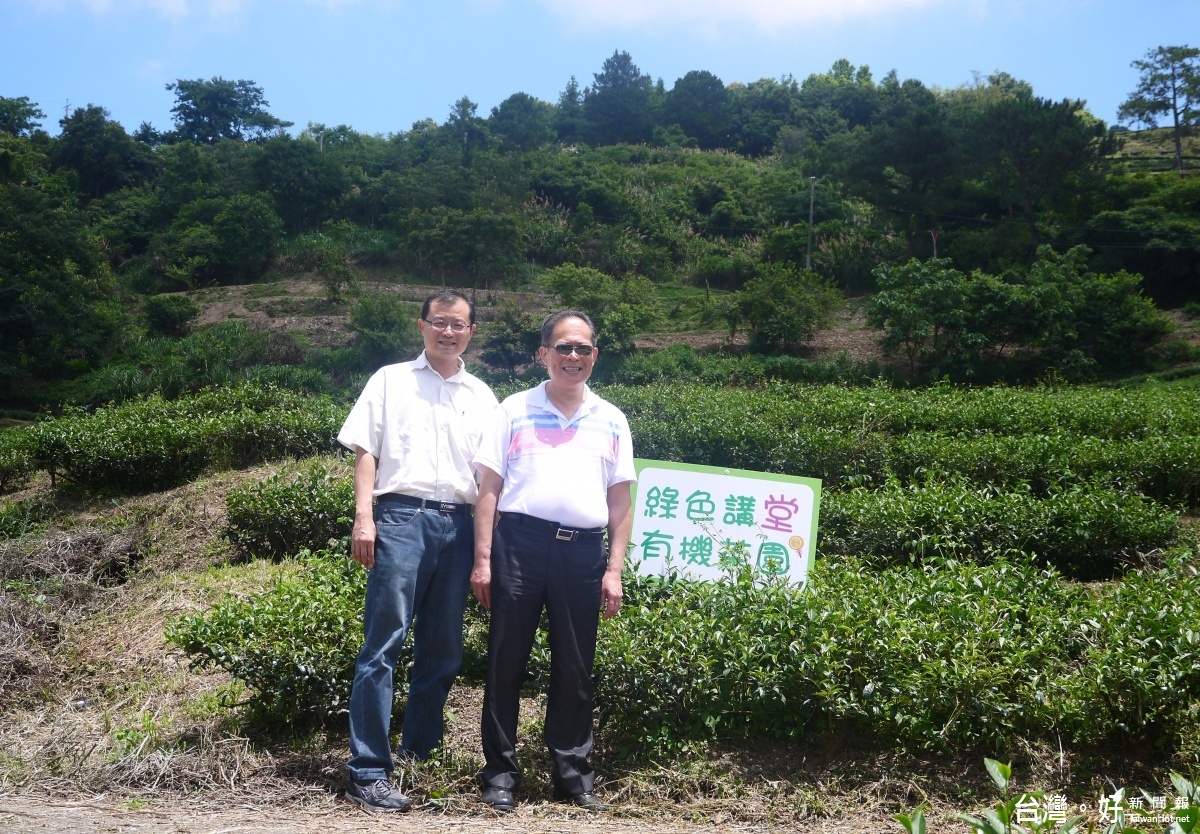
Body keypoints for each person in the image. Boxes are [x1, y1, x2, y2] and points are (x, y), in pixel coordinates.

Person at [337, 289, 498, 812]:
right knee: (383, 644)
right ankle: (367, 770)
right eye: (439, 323)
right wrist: (365, 517)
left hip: (459, 521)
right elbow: (367, 452)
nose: (448, 332)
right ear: (422, 325)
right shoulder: (390, 380)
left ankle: (417, 754)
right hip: (401, 516)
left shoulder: (482, 395)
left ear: (472, 331)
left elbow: (491, 478)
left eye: (459, 324)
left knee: (443, 649)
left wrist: (484, 550)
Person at [470, 310, 635, 814]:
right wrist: (483, 559)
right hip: (519, 545)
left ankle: (572, 774)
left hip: (583, 551)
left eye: (583, 348)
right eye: (563, 347)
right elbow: (490, 488)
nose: (573, 357)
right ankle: (499, 775)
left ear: (595, 357)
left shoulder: (611, 417)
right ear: (543, 354)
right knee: (505, 662)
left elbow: (621, 500)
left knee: (575, 666)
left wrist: (614, 568)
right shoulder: (513, 409)